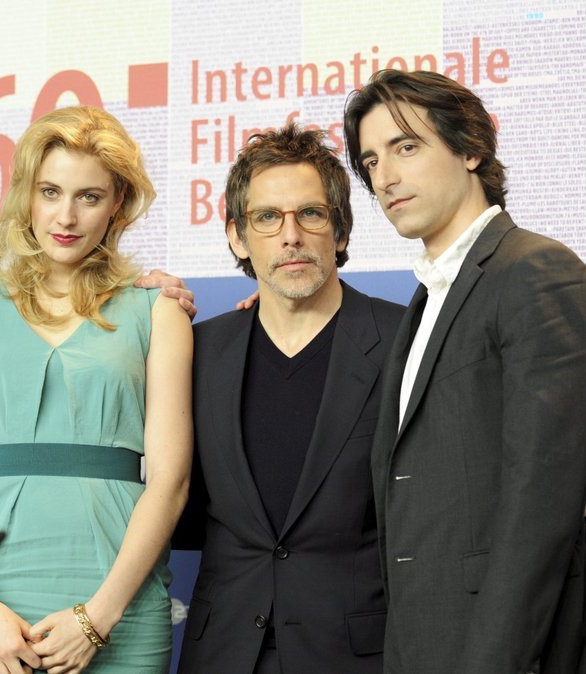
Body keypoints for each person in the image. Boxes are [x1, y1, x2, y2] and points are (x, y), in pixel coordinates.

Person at [343, 69, 586, 672]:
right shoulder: (427, 300)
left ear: (471, 149)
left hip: (504, 648)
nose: (384, 177)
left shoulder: (536, 271)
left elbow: (540, 506)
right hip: (422, 639)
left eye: (405, 147)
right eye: (371, 160)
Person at [0, 106, 193, 674]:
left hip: (120, 597)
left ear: (118, 202)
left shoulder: (158, 311)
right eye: (50, 192)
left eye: (89, 196)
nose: (66, 216)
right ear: (27, 194)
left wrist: (98, 618)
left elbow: (171, 482)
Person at [173, 124, 401, 673]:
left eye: (311, 214)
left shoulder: (405, 341)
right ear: (238, 237)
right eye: (267, 217)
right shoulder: (193, 352)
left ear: (340, 231)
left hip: (358, 655)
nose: (290, 235)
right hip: (222, 652)